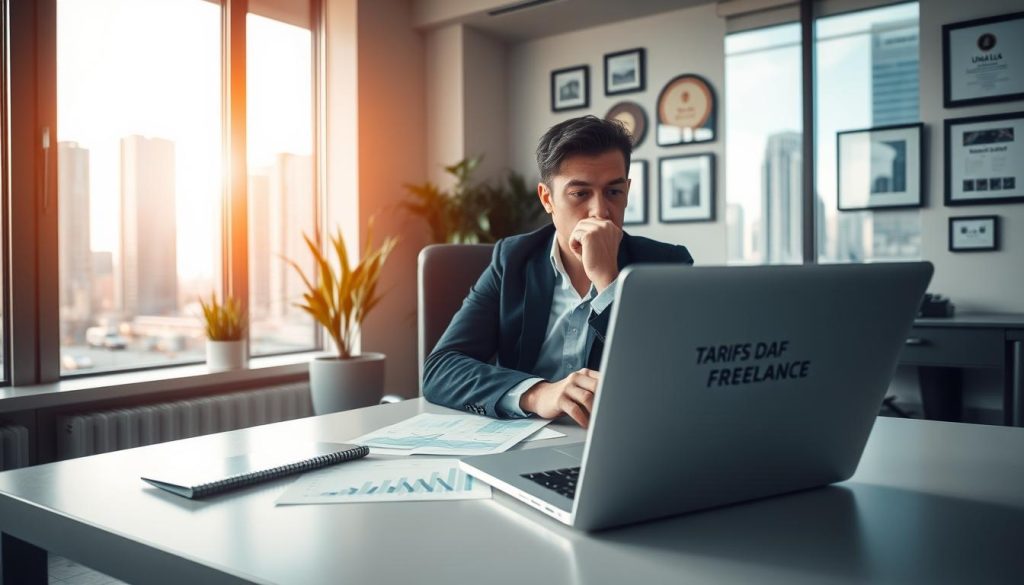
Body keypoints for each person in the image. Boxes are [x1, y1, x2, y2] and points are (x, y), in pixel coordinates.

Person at [423, 115, 694, 428]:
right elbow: (441, 369)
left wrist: (610, 284)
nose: (600, 212)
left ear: (627, 190)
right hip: (523, 439)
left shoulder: (666, 265)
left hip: (622, 438)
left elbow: (673, 380)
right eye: (580, 193)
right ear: (547, 198)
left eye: (614, 192)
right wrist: (539, 394)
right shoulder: (512, 260)